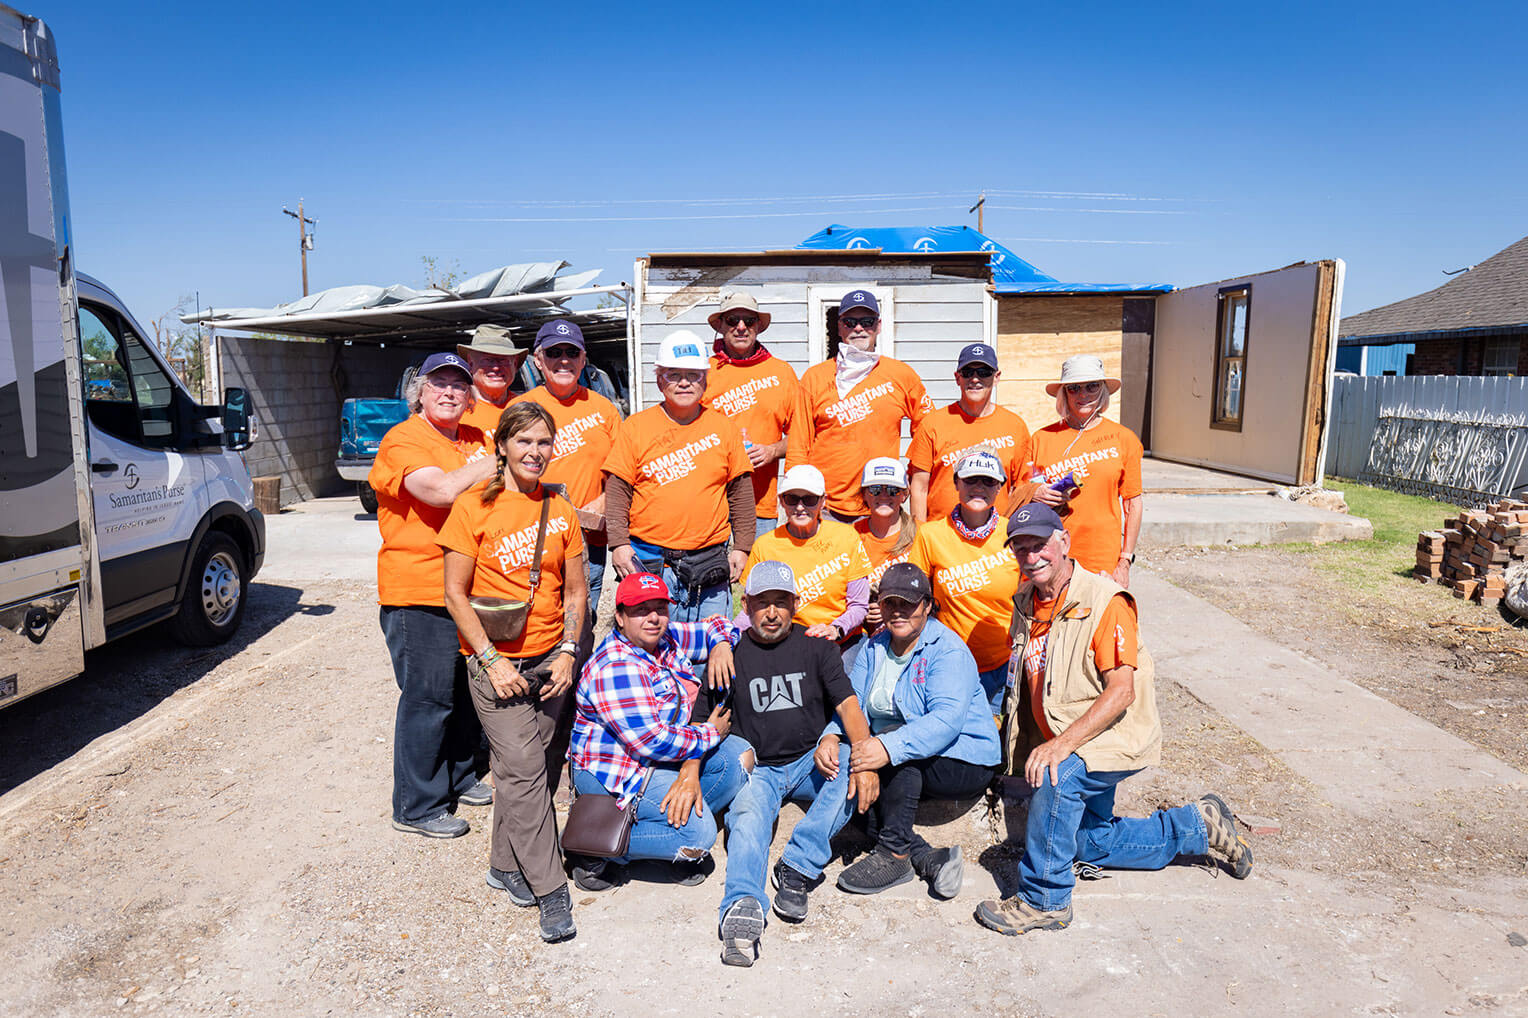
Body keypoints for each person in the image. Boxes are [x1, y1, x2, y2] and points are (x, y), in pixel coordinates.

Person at [973, 504, 1252, 937]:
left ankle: (1044, 899)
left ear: (1064, 542)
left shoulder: (1105, 601)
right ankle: (1197, 826)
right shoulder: (1026, 600)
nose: (1031, 556)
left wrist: (1059, 746)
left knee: (1057, 778)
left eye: (1040, 544)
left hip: (1112, 735)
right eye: (1021, 547)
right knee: (1089, 842)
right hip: (1074, 732)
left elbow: (1122, 691)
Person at [440, 401, 586, 942]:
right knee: (524, 769)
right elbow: (453, 593)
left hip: (552, 658)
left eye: (544, 442)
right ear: (501, 445)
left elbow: (575, 592)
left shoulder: (561, 510)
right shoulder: (472, 507)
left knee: (534, 769)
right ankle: (552, 891)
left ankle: (504, 865)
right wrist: (491, 659)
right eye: (523, 441)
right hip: (494, 662)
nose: (535, 452)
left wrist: (570, 649)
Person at [714, 562, 877, 967]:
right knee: (749, 817)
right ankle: (742, 906)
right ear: (746, 605)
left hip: (810, 760)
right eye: (762, 603)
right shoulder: (730, 654)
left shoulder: (817, 647)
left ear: (796, 604)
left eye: (781, 603)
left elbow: (848, 705)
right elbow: (707, 720)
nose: (772, 612)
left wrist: (866, 759)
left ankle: (797, 866)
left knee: (850, 770)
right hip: (762, 767)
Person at [369, 352, 498, 839]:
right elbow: (440, 491)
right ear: (419, 392)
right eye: (438, 383)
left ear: (469, 398)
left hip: (467, 588)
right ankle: (417, 805)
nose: (449, 392)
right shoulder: (403, 439)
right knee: (428, 698)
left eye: (459, 386)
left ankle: (460, 776)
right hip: (418, 588)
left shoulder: (473, 438)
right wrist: (493, 462)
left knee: (465, 692)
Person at [567, 572, 752, 891]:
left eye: (660, 607)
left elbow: (716, 625)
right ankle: (594, 848)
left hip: (657, 761)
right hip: (618, 769)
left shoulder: (663, 639)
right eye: (640, 609)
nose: (653, 617)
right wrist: (710, 733)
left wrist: (721, 645)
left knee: (738, 759)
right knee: (698, 836)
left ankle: (665, 829)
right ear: (620, 617)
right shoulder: (615, 666)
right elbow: (653, 741)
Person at [833, 563, 1001, 898]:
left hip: (963, 758)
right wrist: (830, 735)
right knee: (847, 779)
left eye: (907, 604)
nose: (897, 612)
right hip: (903, 751)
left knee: (897, 759)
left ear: (927, 605)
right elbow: (852, 702)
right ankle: (926, 857)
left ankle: (894, 855)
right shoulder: (874, 646)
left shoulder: (947, 649)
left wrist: (883, 748)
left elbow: (944, 723)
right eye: (889, 603)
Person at [606, 331, 755, 625]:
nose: (684, 382)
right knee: (650, 650)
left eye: (693, 374)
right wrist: (619, 544)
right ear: (659, 379)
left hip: (709, 560)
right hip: (648, 560)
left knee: (711, 650)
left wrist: (742, 547)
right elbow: (617, 490)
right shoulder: (636, 427)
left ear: (705, 379)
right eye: (674, 374)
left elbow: (740, 492)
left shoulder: (723, 428)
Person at [786, 291, 932, 522]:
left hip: (881, 504)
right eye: (850, 322)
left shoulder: (902, 375)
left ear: (879, 325)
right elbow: (798, 445)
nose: (859, 329)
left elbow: (928, 431)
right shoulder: (814, 377)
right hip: (824, 508)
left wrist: (912, 477)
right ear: (839, 326)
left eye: (867, 322)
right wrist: (798, 497)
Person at [512, 319, 621, 610]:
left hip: (590, 539)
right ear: (538, 359)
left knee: (584, 620)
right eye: (553, 352)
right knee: (537, 617)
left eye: (572, 353)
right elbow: (505, 474)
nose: (563, 360)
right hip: (533, 540)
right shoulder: (522, 408)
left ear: (584, 359)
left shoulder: (604, 409)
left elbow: (623, 471)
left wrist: (604, 500)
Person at [908, 450, 1022, 715]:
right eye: (971, 480)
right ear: (956, 483)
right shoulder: (930, 535)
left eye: (988, 481)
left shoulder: (1013, 533)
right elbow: (916, 600)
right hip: (950, 663)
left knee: (997, 745)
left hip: (1003, 663)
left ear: (1000, 488)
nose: (979, 488)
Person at [1025, 354, 1143, 587]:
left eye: (1092, 386)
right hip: (1050, 553)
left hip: (1102, 556)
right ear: (1063, 394)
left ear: (1102, 390)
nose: (1083, 395)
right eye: (1074, 388)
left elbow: (1133, 504)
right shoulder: (1041, 439)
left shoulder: (1124, 438)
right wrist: (1035, 493)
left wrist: (1125, 561)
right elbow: (1021, 491)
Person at [739, 465, 870, 666]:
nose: (800, 507)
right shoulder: (765, 545)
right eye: (792, 499)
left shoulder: (846, 537)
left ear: (823, 501)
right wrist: (724, 634)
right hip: (789, 641)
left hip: (843, 639)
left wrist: (835, 629)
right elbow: (751, 610)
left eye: (809, 499)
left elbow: (859, 605)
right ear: (782, 501)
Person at [703, 292, 798, 540]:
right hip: (711, 499)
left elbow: (803, 435)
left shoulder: (782, 373)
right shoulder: (703, 372)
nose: (741, 327)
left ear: (758, 327)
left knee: (759, 576)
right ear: (721, 326)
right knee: (712, 576)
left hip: (761, 502)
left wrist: (772, 451)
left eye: (749, 320)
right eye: (733, 319)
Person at [907, 342, 1033, 523]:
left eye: (984, 373)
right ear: (957, 378)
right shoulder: (932, 424)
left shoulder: (1015, 426)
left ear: (996, 377)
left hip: (995, 541)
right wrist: (919, 535)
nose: (975, 379)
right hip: (942, 538)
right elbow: (919, 487)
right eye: (968, 373)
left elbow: (1023, 488)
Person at [853, 458, 918, 640]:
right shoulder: (851, 537)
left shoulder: (922, 534)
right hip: (865, 633)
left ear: (904, 495)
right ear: (865, 495)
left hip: (912, 629)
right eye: (875, 489)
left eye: (892, 490)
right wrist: (862, 611)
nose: (883, 496)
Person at [457, 324, 529, 445]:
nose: (496, 367)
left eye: (503, 360)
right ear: (470, 362)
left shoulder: (526, 408)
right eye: (487, 360)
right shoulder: (454, 408)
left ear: (515, 364)